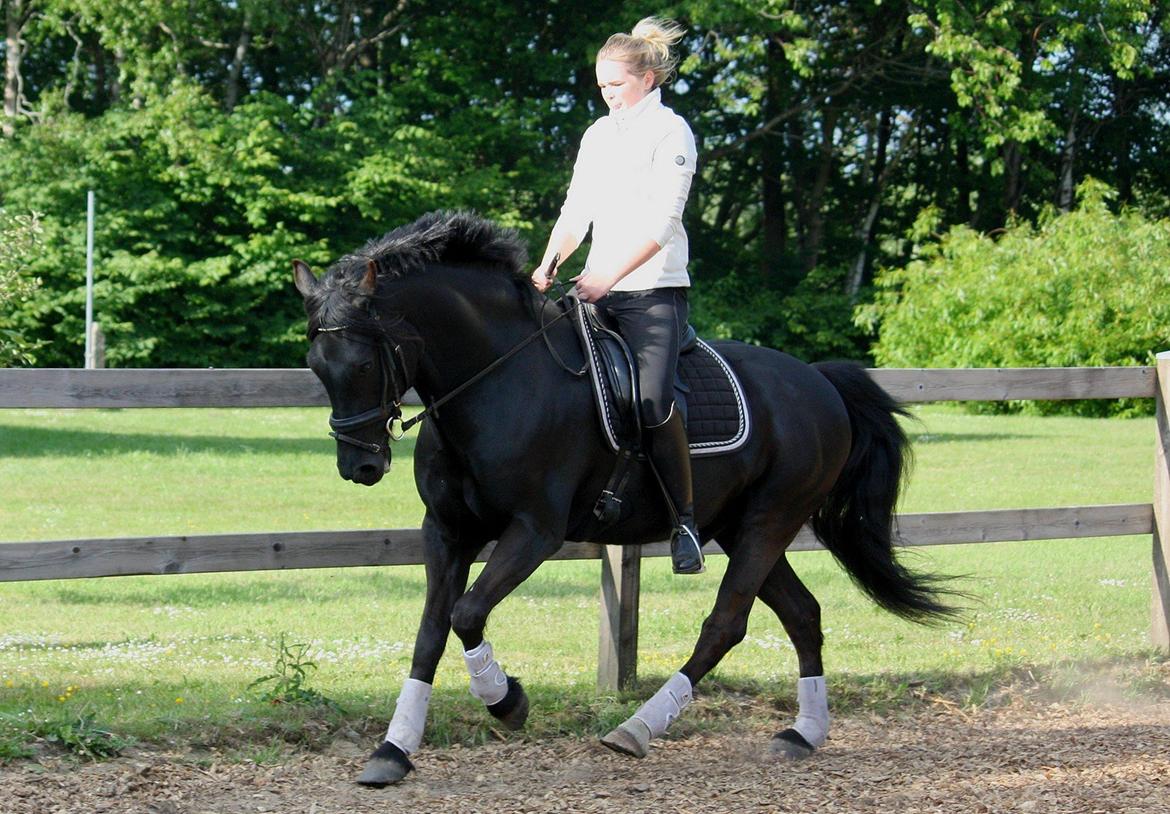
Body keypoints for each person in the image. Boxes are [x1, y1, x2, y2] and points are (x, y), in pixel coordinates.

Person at [530, 17, 703, 574]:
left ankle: (684, 521)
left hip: (653, 293)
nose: (608, 95)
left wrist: (607, 276)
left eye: (617, 84)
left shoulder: (672, 132)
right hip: (594, 289)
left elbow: (663, 224)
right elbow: (575, 212)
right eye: (601, 86)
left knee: (651, 401)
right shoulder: (597, 135)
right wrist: (548, 263)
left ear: (648, 79)